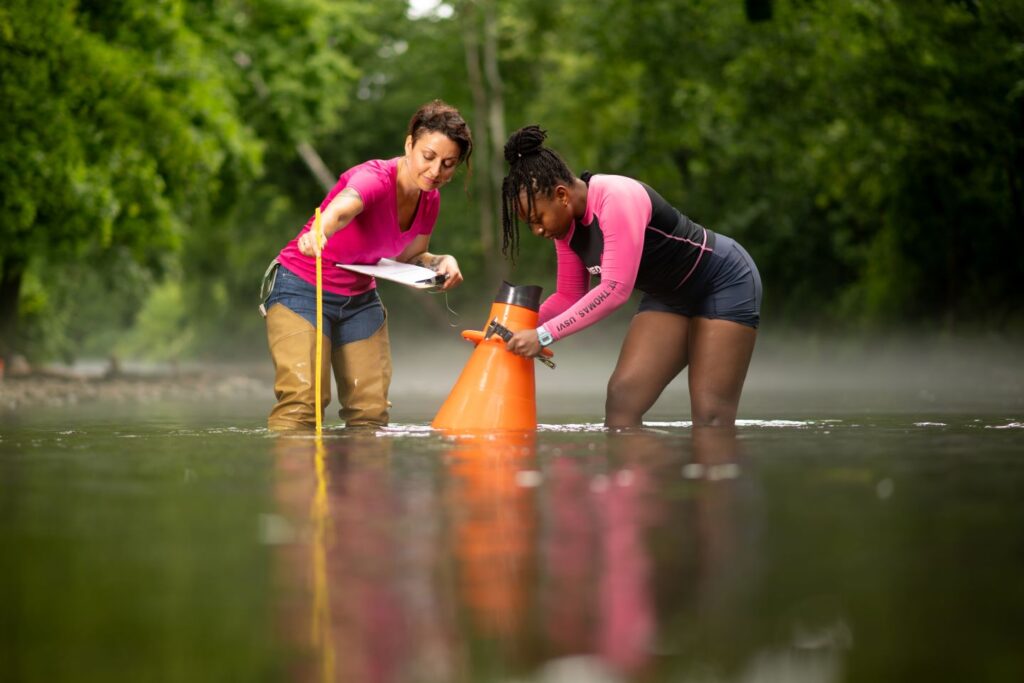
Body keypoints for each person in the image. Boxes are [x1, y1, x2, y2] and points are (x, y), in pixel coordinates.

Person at [501, 126, 761, 428]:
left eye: (537, 220)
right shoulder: (565, 227)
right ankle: (641, 474)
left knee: (710, 418)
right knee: (623, 401)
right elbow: (568, 297)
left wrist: (543, 335)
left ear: (561, 195)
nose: (538, 231)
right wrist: (511, 327)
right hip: (669, 298)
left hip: (723, 281)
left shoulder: (615, 198)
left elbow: (614, 290)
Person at [262, 100, 472, 430]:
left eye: (448, 164)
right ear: (409, 145)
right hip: (302, 289)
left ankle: (362, 482)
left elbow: (412, 255)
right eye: (428, 157)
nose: (435, 172)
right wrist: (320, 230)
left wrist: (443, 261)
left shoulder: (429, 197)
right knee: (304, 403)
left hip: (360, 302)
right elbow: (345, 207)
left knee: (370, 411)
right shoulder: (375, 177)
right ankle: (298, 481)